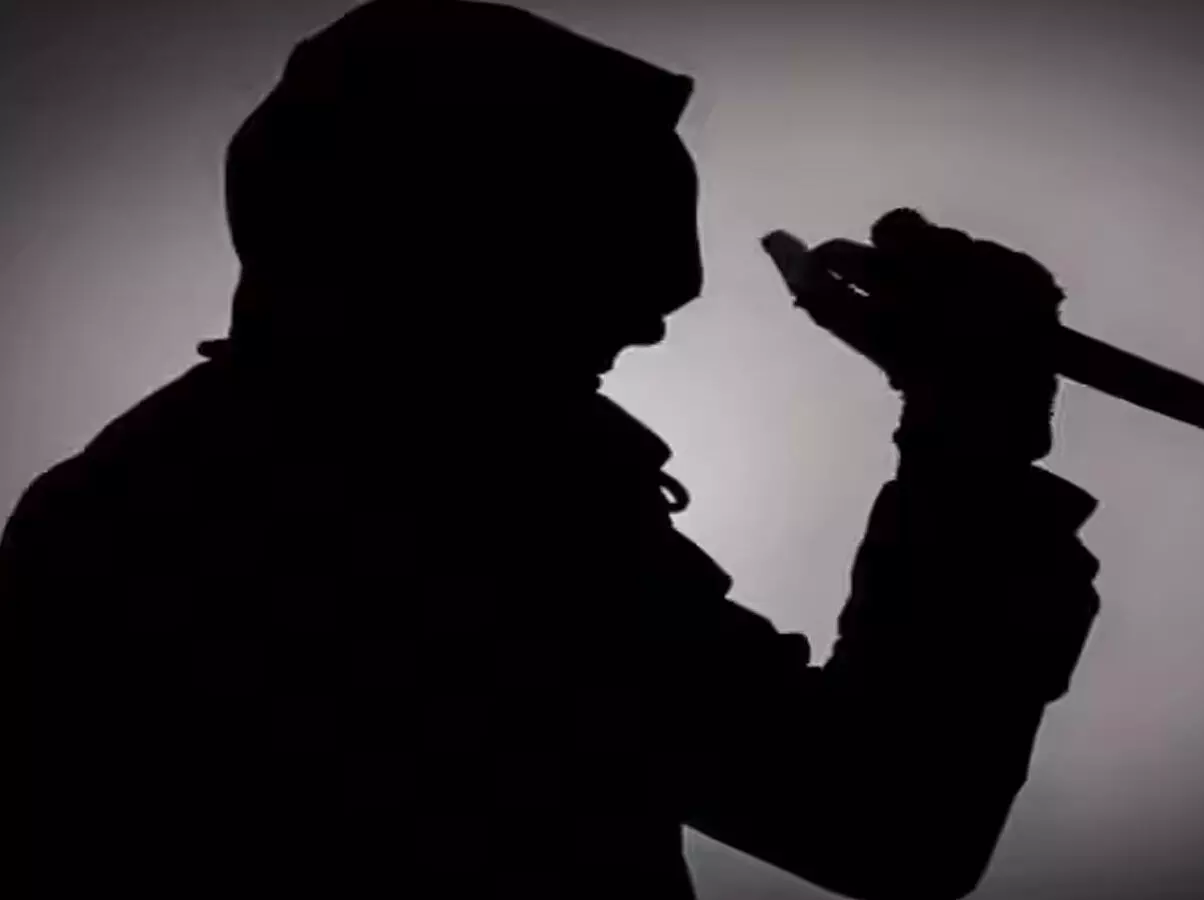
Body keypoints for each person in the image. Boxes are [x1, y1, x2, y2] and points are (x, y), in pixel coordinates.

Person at [4, 1, 1101, 897]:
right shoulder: (419, 516)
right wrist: (972, 433)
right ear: (442, 244)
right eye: (606, 269)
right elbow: (881, 821)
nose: (654, 320)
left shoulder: (160, 491)